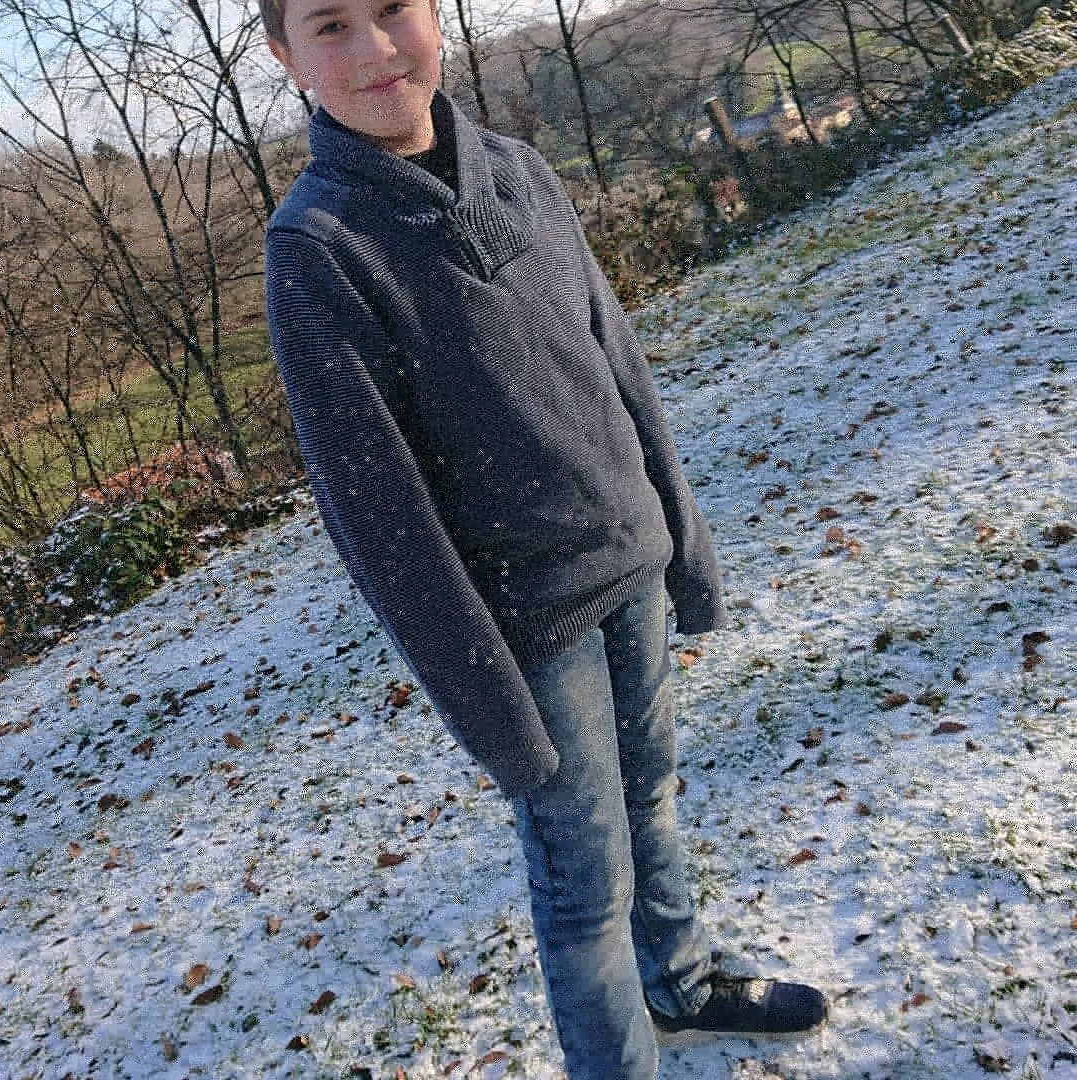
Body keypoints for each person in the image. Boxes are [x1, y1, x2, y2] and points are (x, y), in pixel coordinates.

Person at [259, 0, 828, 1075]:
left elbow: (618, 364)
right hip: (530, 632)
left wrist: (683, 540)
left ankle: (682, 985)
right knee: (584, 884)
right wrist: (490, 707)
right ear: (285, 57)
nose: (375, 48)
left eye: (393, 9)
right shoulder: (319, 248)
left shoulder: (519, 171)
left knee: (651, 796)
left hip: (632, 562)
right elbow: (381, 525)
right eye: (331, 25)